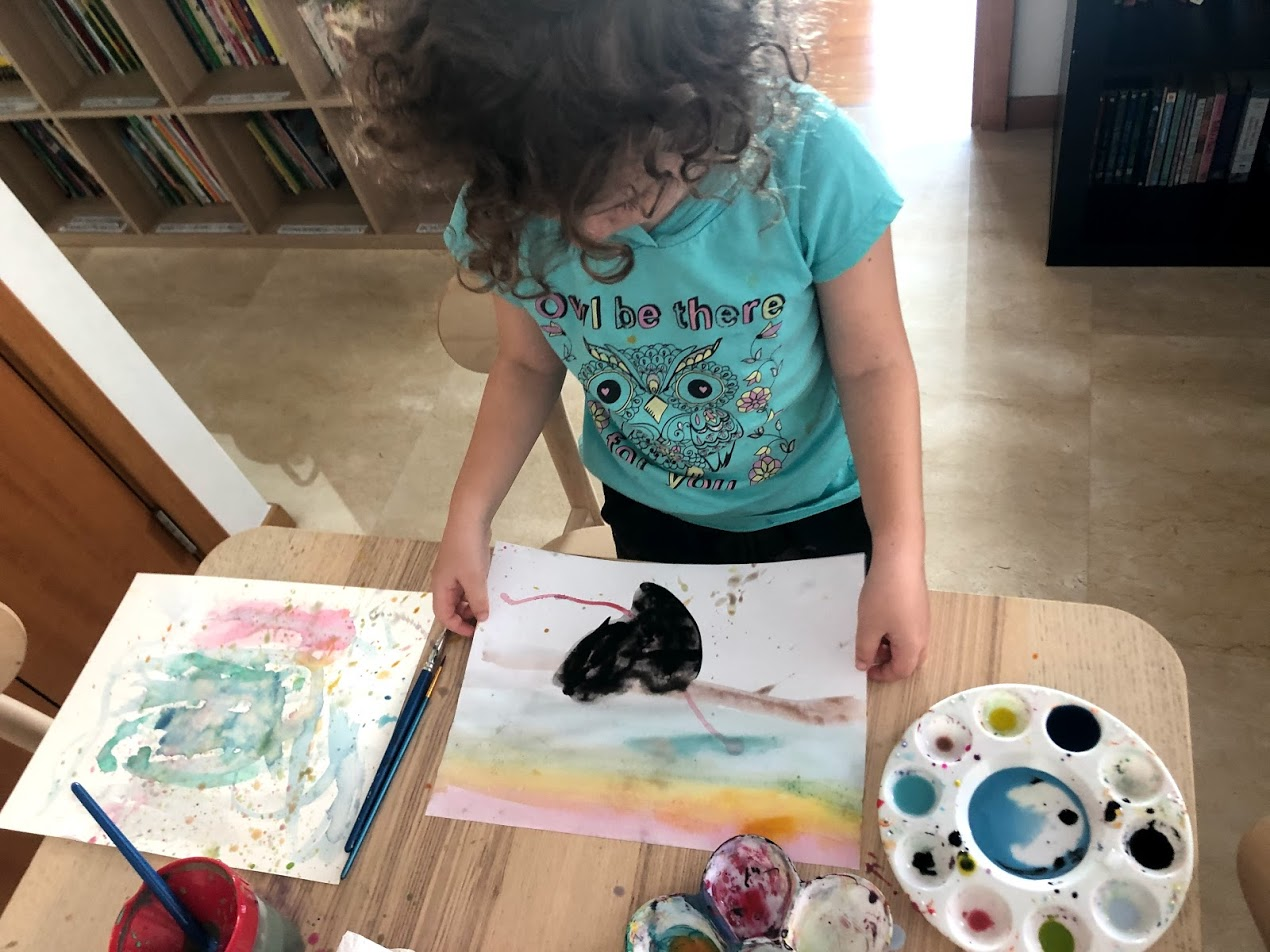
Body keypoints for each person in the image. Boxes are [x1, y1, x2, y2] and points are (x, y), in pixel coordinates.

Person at [358, 0, 929, 680]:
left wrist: (900, 551)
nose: (593, 233)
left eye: (630, 198)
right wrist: (468, 516)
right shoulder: (510, 188)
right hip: (649, 510)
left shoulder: (811, 158)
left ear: (701, 104)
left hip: (818, 510)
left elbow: (873, 367)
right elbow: (525, 365)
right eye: (555, 208)